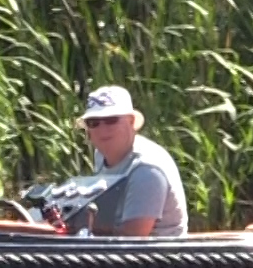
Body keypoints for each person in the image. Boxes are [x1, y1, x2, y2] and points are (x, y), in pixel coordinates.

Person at [77, 85, 188, 237]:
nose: (102, 129)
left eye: (111, 120)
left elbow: (134, 237)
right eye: (93, 122)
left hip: (158, 256)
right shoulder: (101, 155)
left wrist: (75, 227)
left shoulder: (147, 170)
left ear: (131, 121)